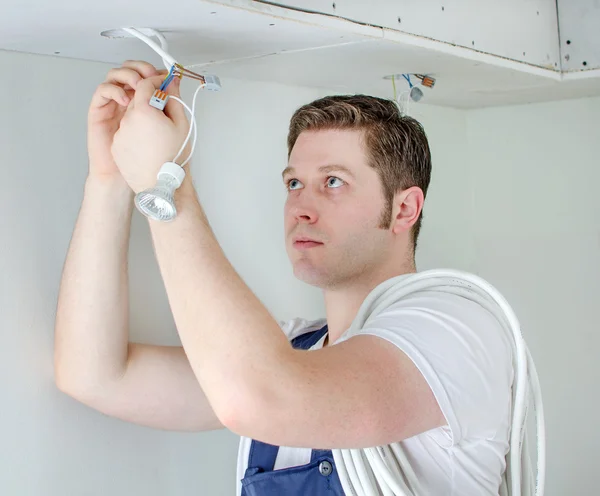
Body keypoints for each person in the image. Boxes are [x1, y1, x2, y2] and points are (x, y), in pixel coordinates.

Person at [54, 60, 513, 495]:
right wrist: (111, 178)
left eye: (333, 181)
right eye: (294, 183)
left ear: (404, 208)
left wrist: (166, 186)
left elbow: (259, 398)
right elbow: (94, 374)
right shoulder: (291, 354)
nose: (301, 208)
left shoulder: (457, 334)